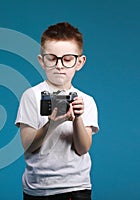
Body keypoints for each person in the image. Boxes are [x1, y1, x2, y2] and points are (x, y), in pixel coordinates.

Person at [15, 22, 99, 200]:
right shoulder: (31, 96)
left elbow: (83, 148)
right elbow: (28, 145)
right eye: (52, 58)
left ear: (80, 62)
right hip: (37, 187)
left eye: (67, 59)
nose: (59, 66)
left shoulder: (86, 101)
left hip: (76, 186)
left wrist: (77, 119)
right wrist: (52, 124)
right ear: (41, 61)